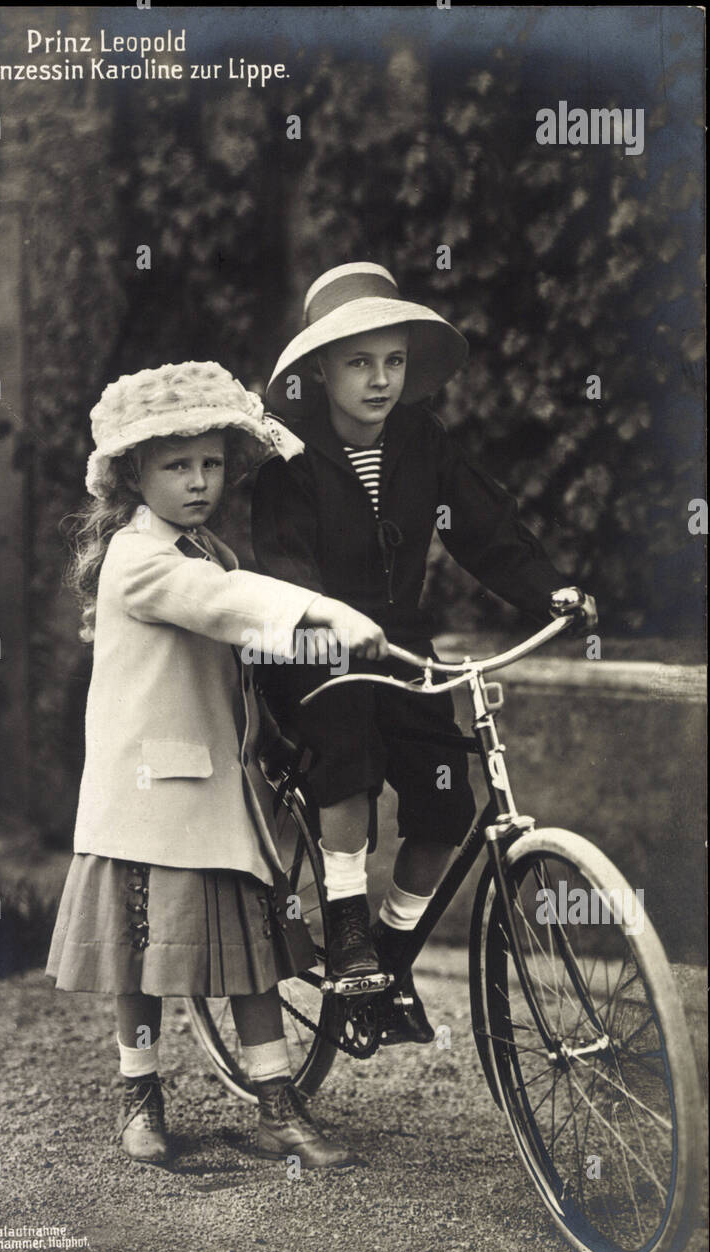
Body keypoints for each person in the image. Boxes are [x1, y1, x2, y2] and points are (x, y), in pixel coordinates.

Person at [46, 361, 389, 1168]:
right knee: (140, 958)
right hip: (149, 796)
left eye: (211, 462)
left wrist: (330, 645)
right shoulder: (140, 559)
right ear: (134, 475)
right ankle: (139, 1097)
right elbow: (229, 607)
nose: (199, 481)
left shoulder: (212, 550)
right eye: (176, 466)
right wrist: (326, 609)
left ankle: (276, 1106)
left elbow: (254, 633)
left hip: (219, 789)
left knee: (251, 956)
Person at [251, 263, 597, 1045]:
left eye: (394, 362)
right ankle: (344, 928)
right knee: (344, 753)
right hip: (310, 643)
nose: (379, 381)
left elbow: (484, 529)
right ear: (320, 370)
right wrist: (324, 618)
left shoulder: (422, 439)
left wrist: (550, 591)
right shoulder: (288, 455)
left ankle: (392, 951)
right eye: (358, 363)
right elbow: (281, 562)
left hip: (399, 640)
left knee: (446, 797)